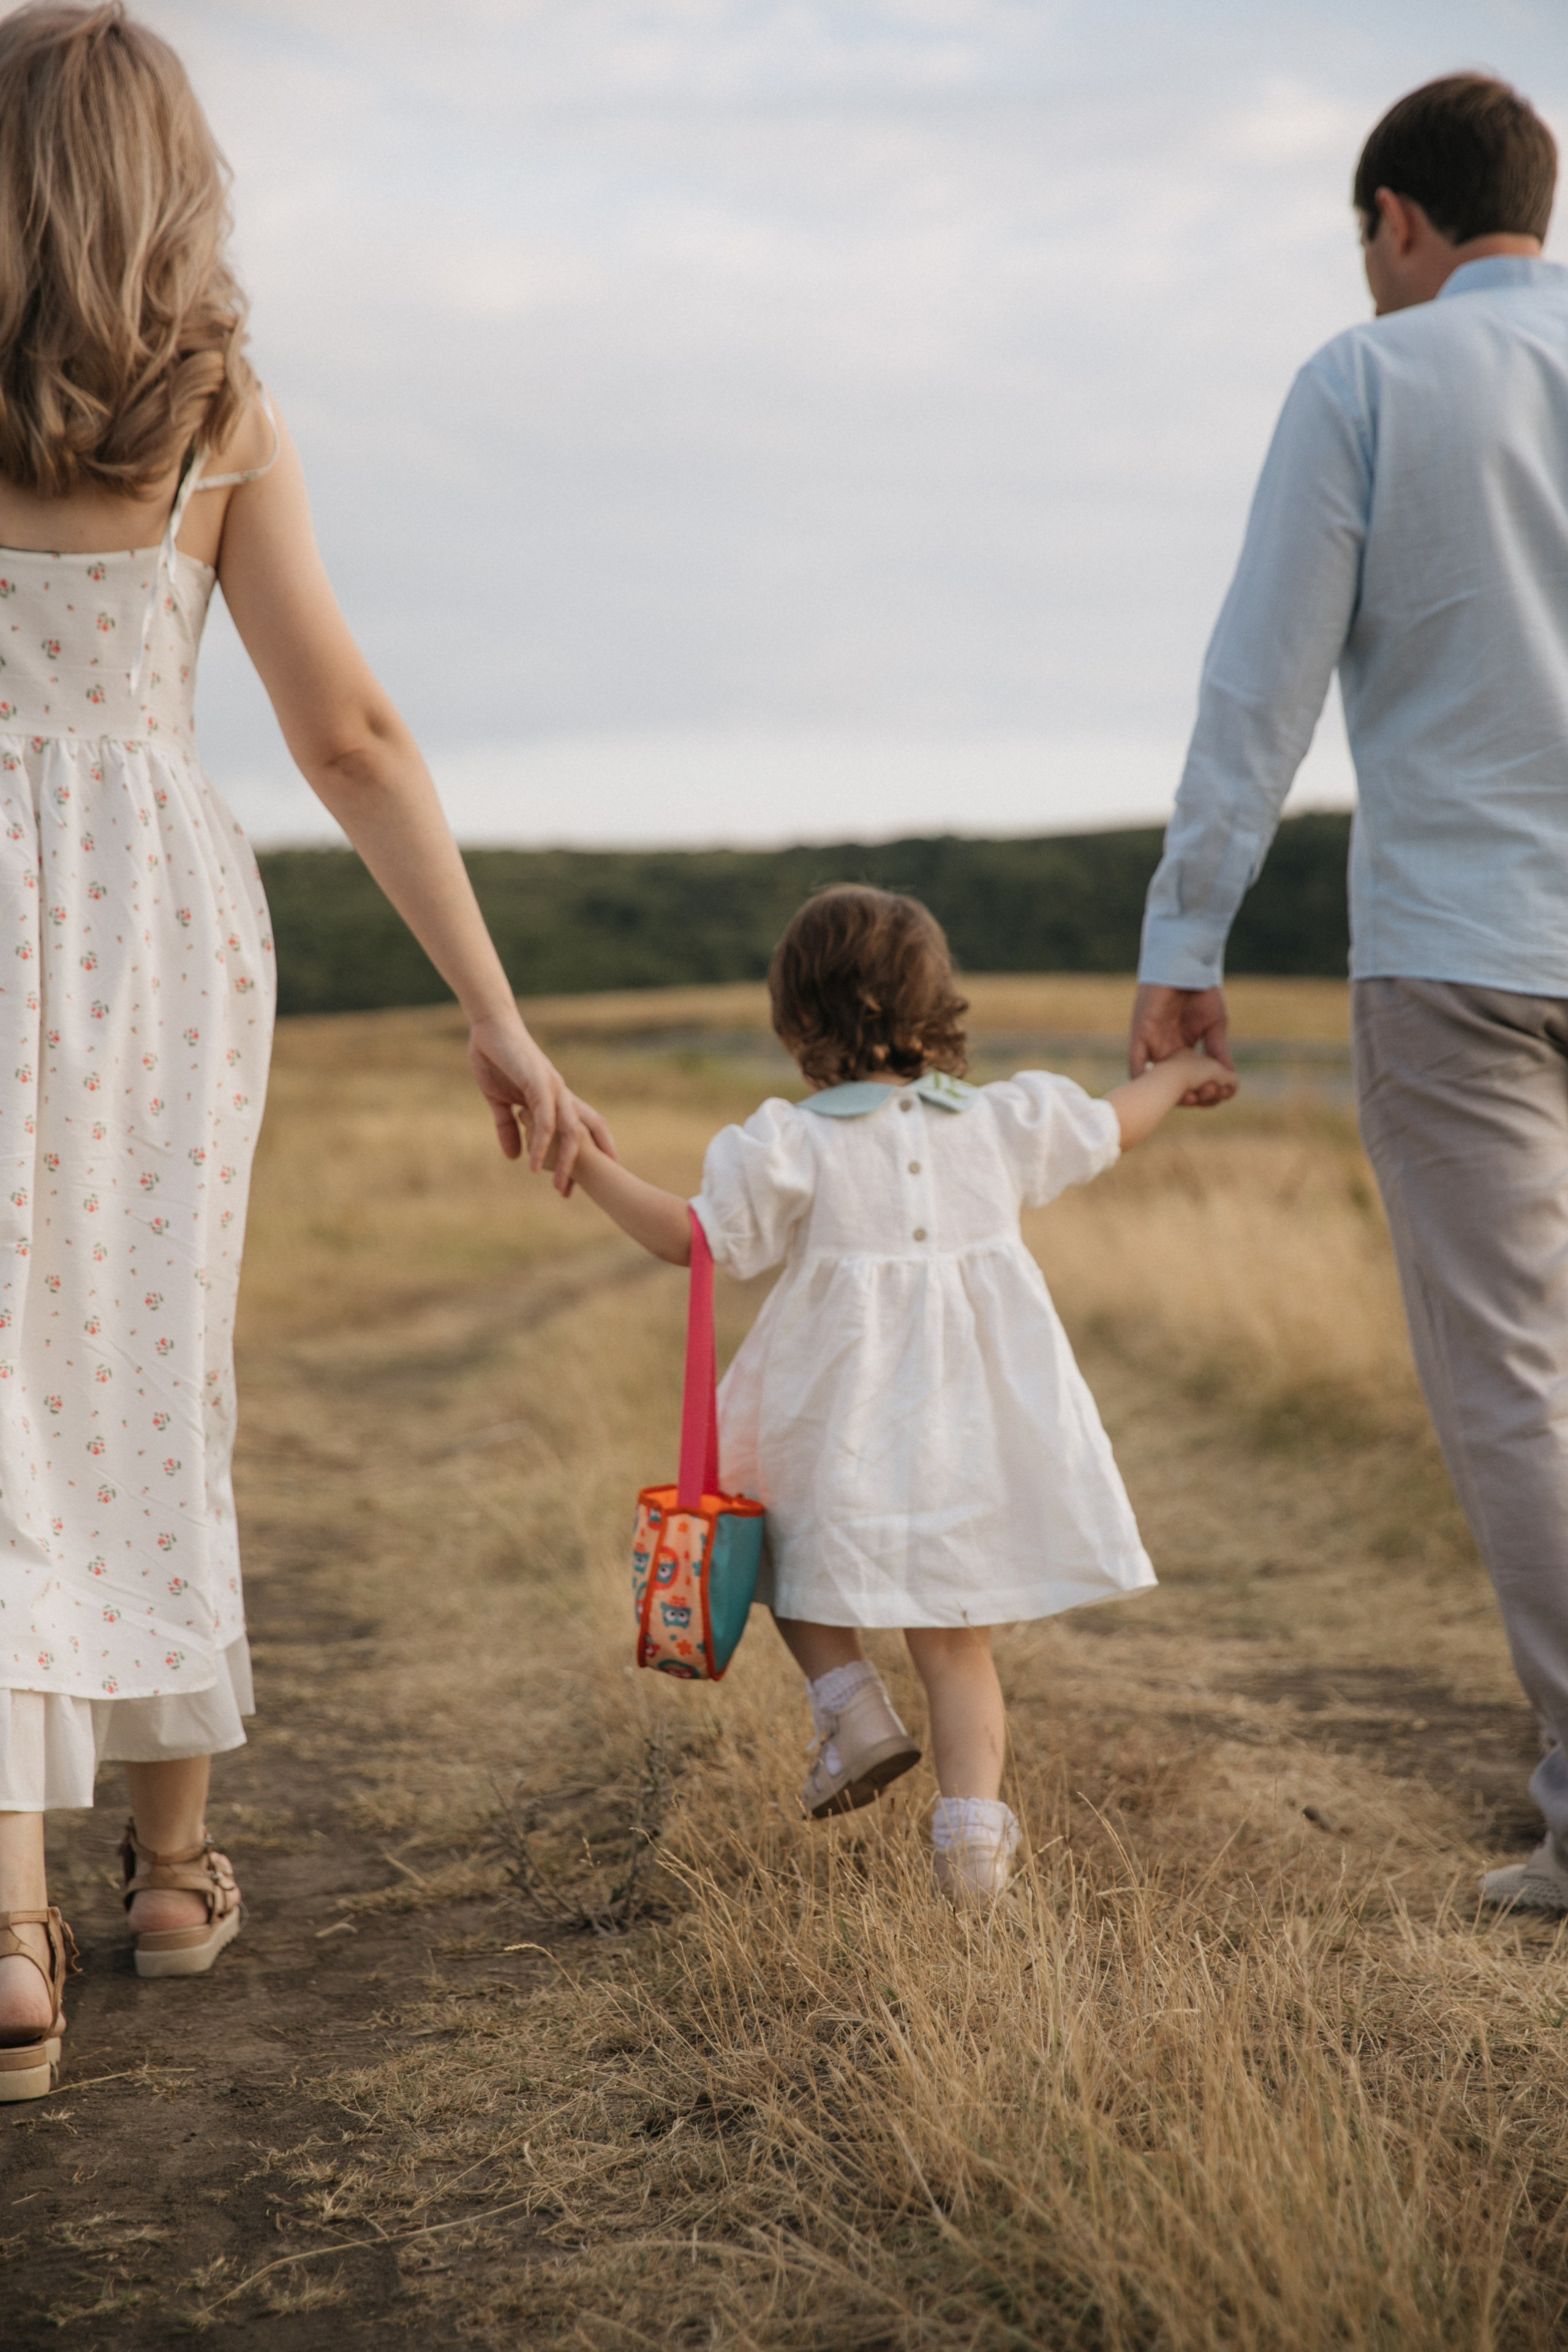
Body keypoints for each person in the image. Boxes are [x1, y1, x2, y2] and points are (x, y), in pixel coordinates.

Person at [0, 1, 611, 2101]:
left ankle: (6, 1920)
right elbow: (346, 735)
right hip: (155, 915)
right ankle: (167, 1877)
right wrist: (495, 1007)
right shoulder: (217, 414)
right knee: (143, 1355)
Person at [1127, 74, 1568, 1912]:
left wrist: (1185, 943)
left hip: (1463, 952)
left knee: (1518, 1387)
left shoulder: (1367, 383)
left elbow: (1262, 689)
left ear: (1400, 218)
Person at [535, 885, 1231, 1904]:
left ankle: (850, 1708)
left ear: (800, 1020)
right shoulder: (1000, 1121)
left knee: (773, 1543)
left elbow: (691, 1242)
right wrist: (1184, 1068)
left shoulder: (791, 1142)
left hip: (835, 1419)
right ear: (936, 1008)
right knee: (958, 1641)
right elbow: (1110, 1126)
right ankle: (973, 1852)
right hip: (970, 1429)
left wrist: (588, 1162)